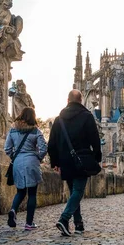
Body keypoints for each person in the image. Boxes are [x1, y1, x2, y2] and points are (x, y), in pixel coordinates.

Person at [47, 89, 101, 236]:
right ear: (81, 100)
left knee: (74, 192)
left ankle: (78, 224)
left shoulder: (59, 119)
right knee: (78, 192)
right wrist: (96, 158)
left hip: (65, 161)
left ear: (67, 101)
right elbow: (95, 140)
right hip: (82, 159)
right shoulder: (87, 116)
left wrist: (55, 162)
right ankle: (64, 219)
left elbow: (51, 144)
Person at [5, 107, 46, 231]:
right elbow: (43, 148)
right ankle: (29, 223)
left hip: (17, 163)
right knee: (32, 193)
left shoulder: (13, 131)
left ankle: (13, 210)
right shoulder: (36, 131)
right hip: (32, 161)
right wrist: (38, 157)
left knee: (21, 191)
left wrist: (15, 157)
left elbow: (7, 148)